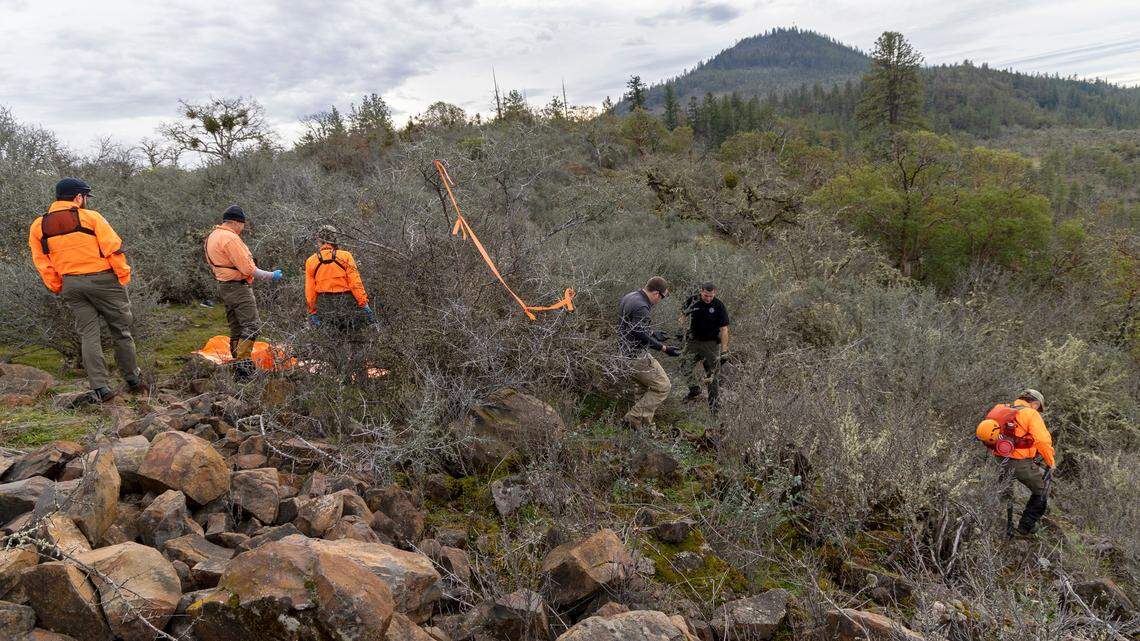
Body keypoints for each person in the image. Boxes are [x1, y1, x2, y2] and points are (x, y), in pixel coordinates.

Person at [29, 178, 144, 404]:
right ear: (78, 197)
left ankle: (100, 387)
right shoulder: (91, 217)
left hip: (71, 284)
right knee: (121, 330)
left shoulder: (38, 226)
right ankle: (133, 379)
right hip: (104, 281)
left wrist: (58, 284)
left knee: (88, 334)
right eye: (85, 197)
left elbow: (41, 261)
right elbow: (113, 249)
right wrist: (123, 276)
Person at [204, 205, 282, 376]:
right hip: (238, 287)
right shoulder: (230, 238)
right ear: (236, 222)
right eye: (242, 224)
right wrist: (271, 275)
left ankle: (236, 361)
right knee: (252, 325)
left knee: (237, 326)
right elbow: (248, 269)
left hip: (224, 286)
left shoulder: (212, 236)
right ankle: (243, 366)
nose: (242, 228)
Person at [978, 389, 1055, 537]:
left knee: (1004, 492)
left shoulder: (1000, 408)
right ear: (1035, 403)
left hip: (996, 459)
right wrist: (1051, 462)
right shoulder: (1031, 414)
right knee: (1043, 488)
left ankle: (1002, 527)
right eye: (1039, 408)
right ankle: (1026, 527)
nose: (1038, 411)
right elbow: (1043, 441)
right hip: (1018, 462)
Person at [617, 276, 681, 429]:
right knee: (663, 386)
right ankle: (633, 418)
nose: (660, 301)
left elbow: (631, 326)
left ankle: (641, 428)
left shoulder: (630, 297)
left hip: (623, 353)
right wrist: (664, 348)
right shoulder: (642, 306)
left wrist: (653, 332)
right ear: (656, 293)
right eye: (662, 297)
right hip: (635, 355)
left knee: (643, 388)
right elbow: (639, 333)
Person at [304, 225, 374, 331]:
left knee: (331, 338)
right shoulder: (345, 256)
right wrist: (364, 304)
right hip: (347, 303)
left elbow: (310, 291)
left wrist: (312, 311)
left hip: (325, 306)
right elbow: (355, 284)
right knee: (354, 335)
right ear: (335, 239)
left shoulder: (311, 261)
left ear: (319, 240)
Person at [679, 282, 730, 413]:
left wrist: (724, 351)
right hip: (693, 342)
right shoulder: (693, 300)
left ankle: (714, 410)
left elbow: (724, 329)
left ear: (715, 293)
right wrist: (680, 329)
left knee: (712, 377)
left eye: (711, 296)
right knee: (684, 363)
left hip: (711, 345)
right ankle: (694, 388)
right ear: (701, 291)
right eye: (706, 295)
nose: (708, 298)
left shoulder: (719, 306)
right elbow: (682, 315)